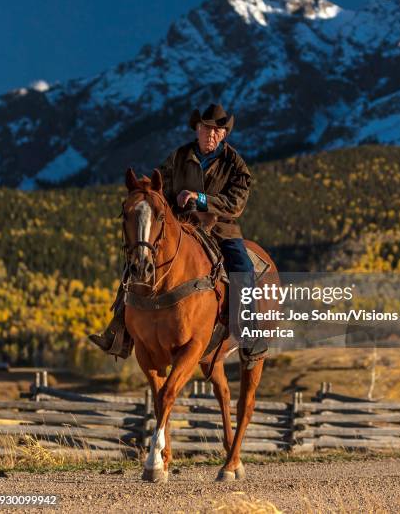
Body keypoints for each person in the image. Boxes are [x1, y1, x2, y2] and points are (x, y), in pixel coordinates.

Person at [89, 103, 268, 364]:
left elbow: (236, 203)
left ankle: (250, 337)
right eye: (206, 128)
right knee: (136, 262)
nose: (212, 134)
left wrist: (202, 199)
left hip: (221, 229)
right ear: (197, 129)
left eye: (218, 130)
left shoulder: (235, 164)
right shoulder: (179, 156)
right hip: (181, 226)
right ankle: (119, 331)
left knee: (242, 267)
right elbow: (160, 189)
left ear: (224, 134)